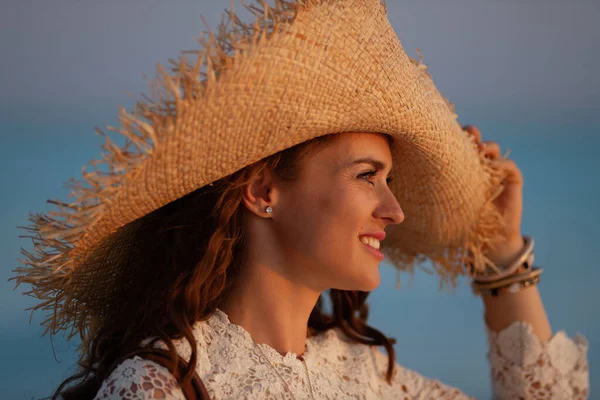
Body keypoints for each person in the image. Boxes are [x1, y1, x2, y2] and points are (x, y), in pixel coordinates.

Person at [13, 0, 589, 399]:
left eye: (388, 180)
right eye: (368, 176)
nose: (395, 210)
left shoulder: (368, 378)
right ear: (264, 191)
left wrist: (501, 258)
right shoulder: (162, 384)